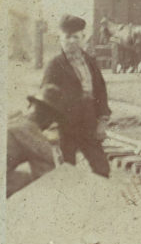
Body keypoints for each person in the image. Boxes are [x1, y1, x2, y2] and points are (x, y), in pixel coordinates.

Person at [41, 15, 112, 177]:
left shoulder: (90, 61)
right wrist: (51, 129)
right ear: (60, 38)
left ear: (83, 38)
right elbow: (44, 98)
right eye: (68, 37)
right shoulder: (55, 65)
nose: (72, 41)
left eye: (76, 37)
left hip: (88, 123)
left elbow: (101, 91)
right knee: (67, 171)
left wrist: (102, 121)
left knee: (102, 168)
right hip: (64, 126)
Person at [7, 84, 66, 196]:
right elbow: (49, 178)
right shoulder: (31, 132)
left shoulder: (15, 119)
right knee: (31, 181)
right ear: (49, 116)